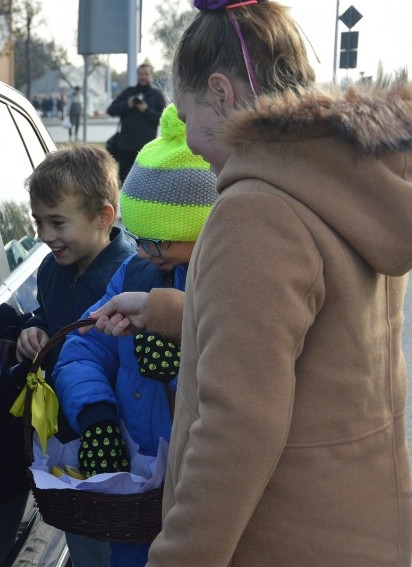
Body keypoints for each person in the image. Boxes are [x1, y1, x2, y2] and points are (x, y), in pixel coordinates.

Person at [83, 1, 412, 564]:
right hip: (362, 528)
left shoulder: (255, 211)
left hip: (277, 539)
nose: (189, 144)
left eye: (186, 120)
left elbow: (236, 429)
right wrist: (163, 309)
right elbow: (312, 350)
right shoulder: (351, 183)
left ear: (221, 92)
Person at [52, 104, 218, 567]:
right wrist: (97, 416)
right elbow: (81, 347)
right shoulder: (134, 274)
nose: (146, 251)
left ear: (203, 227)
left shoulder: (226, 286)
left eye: (159, 241)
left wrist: (182, 360)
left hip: (200, 494)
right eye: (139, 236)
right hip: (136, 493)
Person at [15, 143, 134, 566]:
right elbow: (48, 314)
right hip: (66, 432)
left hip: (117, 436)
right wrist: (33, 328)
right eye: (39, 222)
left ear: (103, 216)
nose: (45, 236)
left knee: (119, 542)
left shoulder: (129, 276)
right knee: (83, 541)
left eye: (57, 222)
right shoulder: (52, 268)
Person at [107, 62, 167, 184]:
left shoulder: (156, 95)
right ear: (137, 75)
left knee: (145, 183)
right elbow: (111, 110)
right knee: (125, 183)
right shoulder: (129, 92)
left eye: (146, 74)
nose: (143, 76)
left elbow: (163, 119)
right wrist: (127, 105)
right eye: (140, 74)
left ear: (151, 75)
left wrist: (146, 110)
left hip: (146, 148)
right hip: (125, 147)